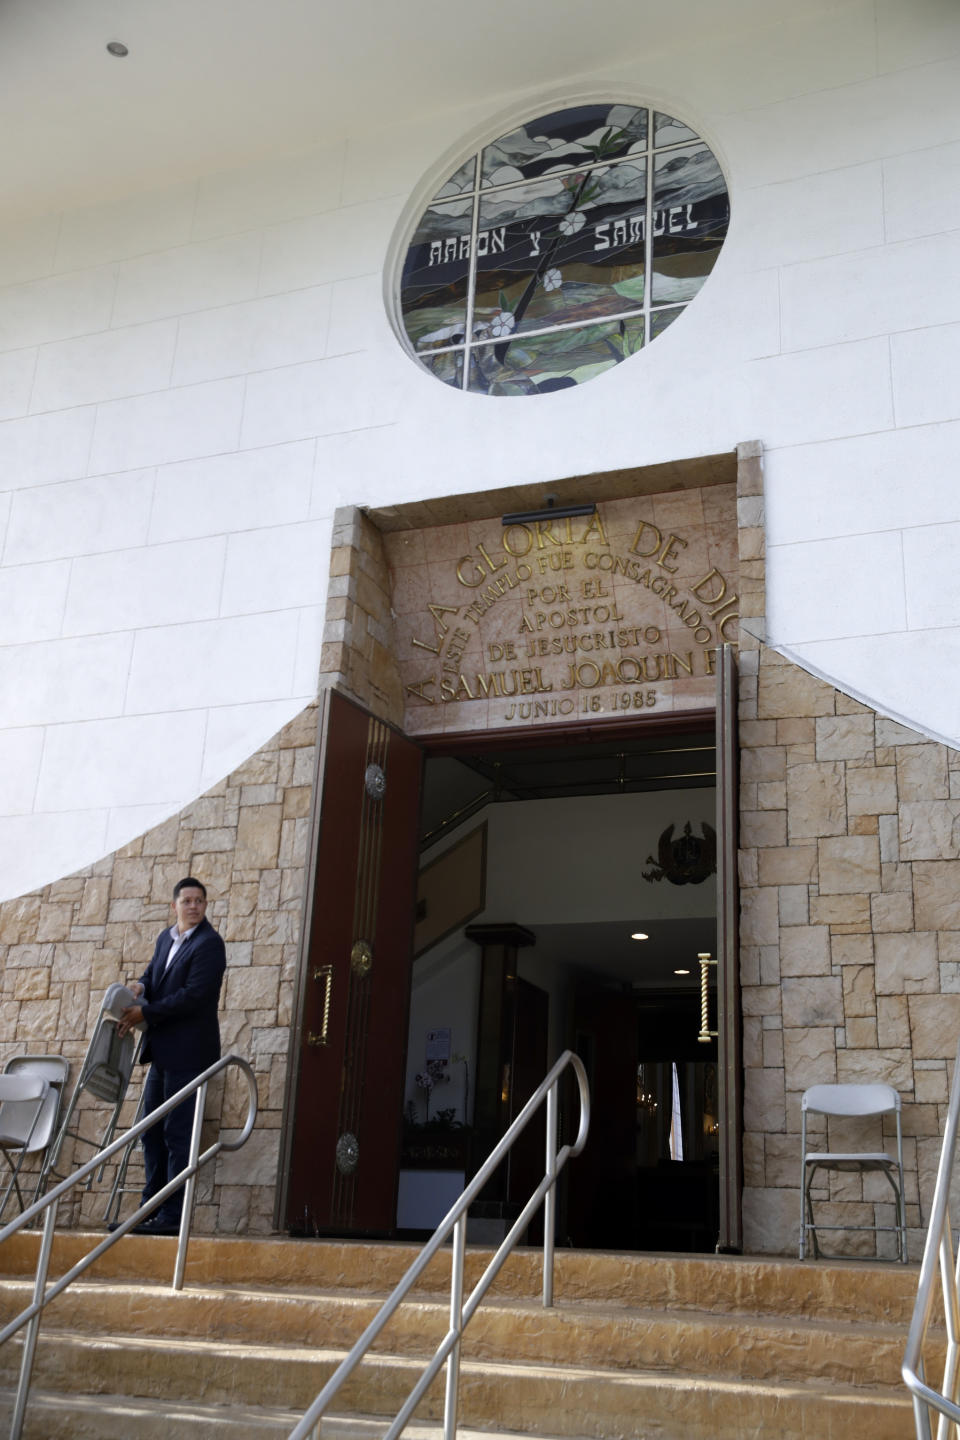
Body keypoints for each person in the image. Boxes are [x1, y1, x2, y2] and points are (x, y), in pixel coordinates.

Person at [116, 877, 226, 1236]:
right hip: (162, 1051)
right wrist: (140, 987)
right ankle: (151, 1209)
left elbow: (194, 996)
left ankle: (173, 1217)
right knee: (150, 1132)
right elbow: (154, 974)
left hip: (191, 1053)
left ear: (205, 906)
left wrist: (146, 1014)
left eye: (200, 901)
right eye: (188, 901)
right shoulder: (167, 937)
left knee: (178, 1134)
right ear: (174, 905)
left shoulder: (210, 945)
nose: (194, 907)